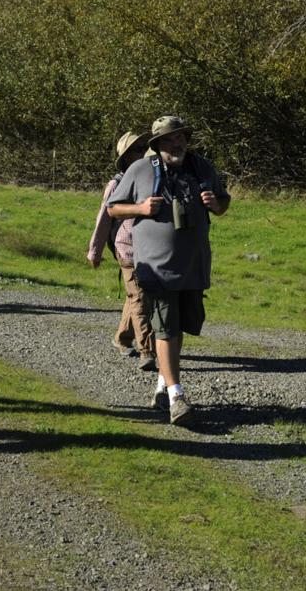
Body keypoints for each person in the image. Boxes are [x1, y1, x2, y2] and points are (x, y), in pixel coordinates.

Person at [107, 116, 230, 427]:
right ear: (158, 144)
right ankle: (177, 396)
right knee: (165, 327)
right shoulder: (140, 170)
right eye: (170, 140)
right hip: (156, 266)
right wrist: (141, 208)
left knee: (179, 328)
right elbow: (113, 207)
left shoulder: (201, 167)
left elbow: (223, 203)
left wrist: (215, 203)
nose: (178, 144)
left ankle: (163, 386)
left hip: (193, 264)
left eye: (181, 138)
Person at [87, 130, 155, 372]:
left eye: (145, 147)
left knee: (136, 295)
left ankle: (122, 338)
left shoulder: (153, 179)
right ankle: (147, 350)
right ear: (126, 157)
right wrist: (95, 251)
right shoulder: (116, 184)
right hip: (127, 249)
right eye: (138, 149)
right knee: (139, 297)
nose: (144, 152)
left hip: (150, 250)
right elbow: (103, 219)